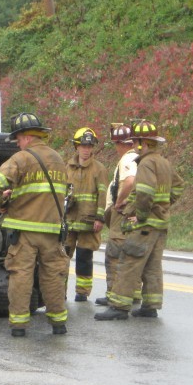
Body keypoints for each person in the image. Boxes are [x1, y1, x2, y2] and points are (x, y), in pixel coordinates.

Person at [0, 113, 70, 337]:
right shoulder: (58, 159)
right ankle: (58, 323)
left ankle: (19, 326)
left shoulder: (21, 159)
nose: (17, 144)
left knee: (21, 274)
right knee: (53, 275)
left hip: (25, 230)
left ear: (25, 137)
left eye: (17, 140)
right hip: (52, 230)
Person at [94, 120, 183, 321]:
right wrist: (164, 205)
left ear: (142, 142)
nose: (134, 145)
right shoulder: (164, 162)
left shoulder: (147, 163)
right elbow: (178, 187)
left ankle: (119, 307)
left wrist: (140, 215)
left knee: (129, 262)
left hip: (146, 225)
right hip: (160, 225)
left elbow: (144, 191)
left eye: (135, 142)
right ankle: (151, 306)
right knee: (152, 266)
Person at [95, 123, 139, 306]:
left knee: (114, 255)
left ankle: (113, 294)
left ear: (121, 144)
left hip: (121, 214)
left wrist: (119, 201)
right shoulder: (141, 158)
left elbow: (129, 182)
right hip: (133, 213)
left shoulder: (128, 159)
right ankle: (134, 292)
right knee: (132, 254)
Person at [64, 127, 108, 302]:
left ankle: (82, 292)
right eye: (83, 146)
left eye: (89, 146)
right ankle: (59, 291)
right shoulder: (67, 167)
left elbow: (102, 194)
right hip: (68, 220)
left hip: (88, 221)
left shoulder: (99, 169)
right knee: (62, 256)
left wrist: (99, 218)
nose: (86, 149)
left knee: (84, 257)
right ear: (76, 146)